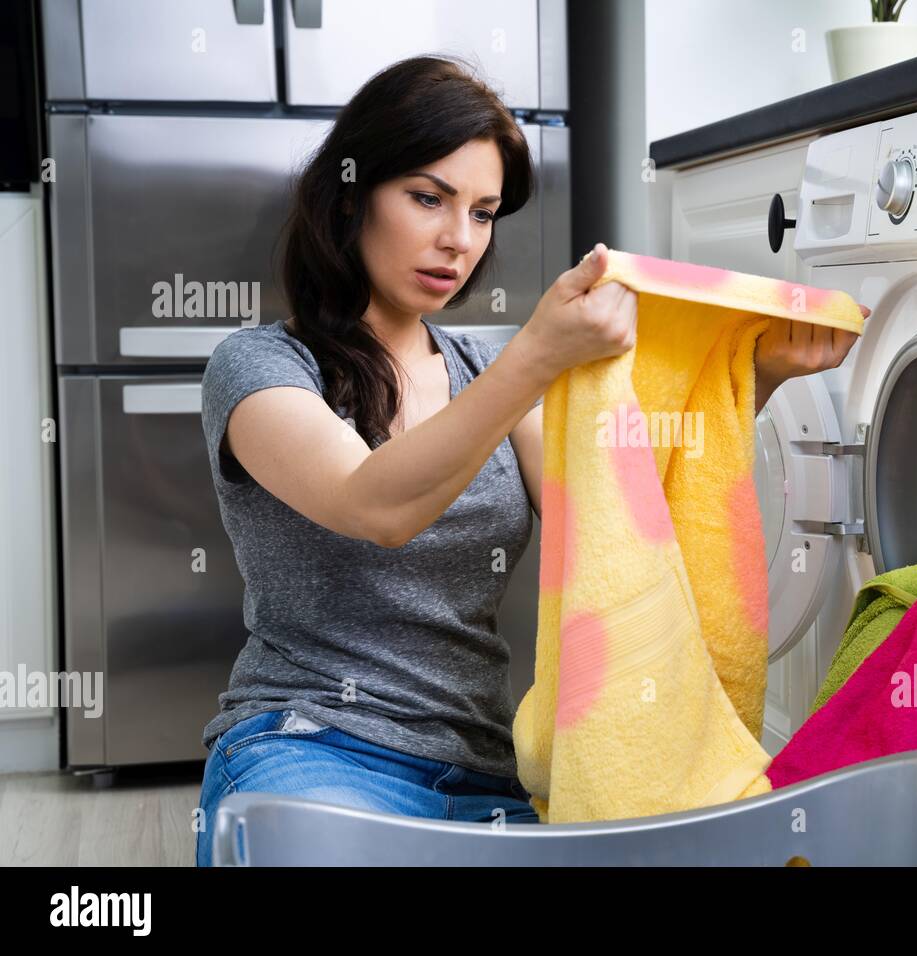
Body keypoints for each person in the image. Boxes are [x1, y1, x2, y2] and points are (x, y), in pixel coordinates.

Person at [194, 55, 865, 867]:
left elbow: (623, 507)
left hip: (483, 771)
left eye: (482, 213)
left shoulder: (486, 369)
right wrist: (538, 356)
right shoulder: (261, 366)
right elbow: (375, 506)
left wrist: (752, 376)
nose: (458, 240)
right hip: (312, 748)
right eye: (427, 198)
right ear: (351, 194)